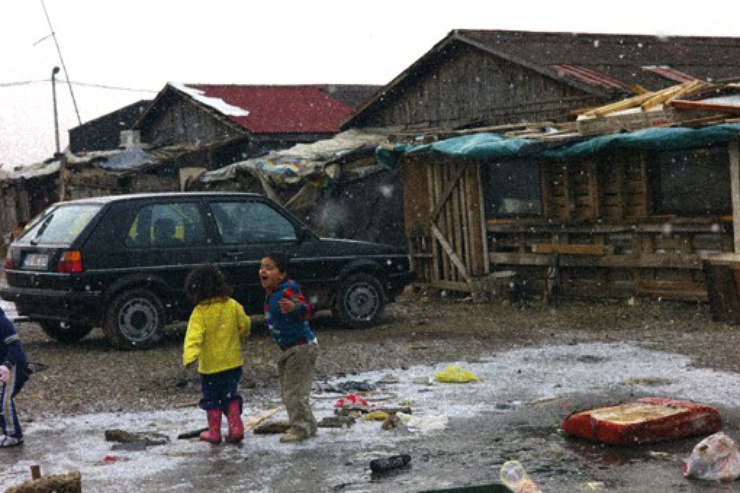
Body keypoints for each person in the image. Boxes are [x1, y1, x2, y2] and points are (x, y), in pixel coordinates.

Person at [183, 264, 251, 444]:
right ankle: (235, 427)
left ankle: (214, 431)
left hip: (210, 367)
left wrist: (190, 355)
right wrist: (241, 337)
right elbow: (244, 325)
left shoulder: (200, 312)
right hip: (233, 363)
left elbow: (194, 336)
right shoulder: (232, 305)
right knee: (230, 394)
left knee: (212, 397)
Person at [259, 252, 318, 443]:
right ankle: (308, 424)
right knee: (291, 389)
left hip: (302, 347)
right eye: (262, 267)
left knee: (294, 391)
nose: (263, 271)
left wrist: (295, 308)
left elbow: (308, 310)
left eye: (269, 267)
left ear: (282, 274)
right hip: (290, 349)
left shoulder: (288, 289)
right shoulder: (271, 294)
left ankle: (300, 428)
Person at [0, 304, 29, 448]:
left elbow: (16, 347)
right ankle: (7, 431)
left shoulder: (3, 323)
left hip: (14, 363)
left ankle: (14, 435)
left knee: (4, 399)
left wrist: (7, 364)